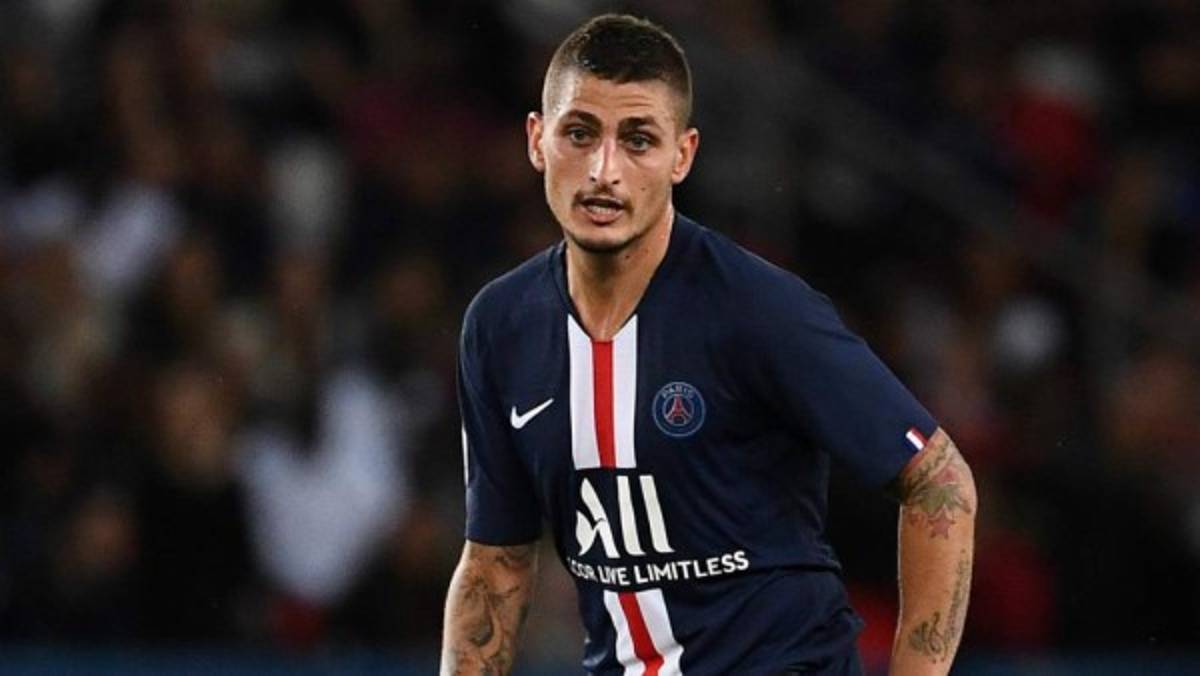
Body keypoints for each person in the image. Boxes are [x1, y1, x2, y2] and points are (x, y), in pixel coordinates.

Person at [441, 13, 976, 676]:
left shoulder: (758, 309)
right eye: (579, 133)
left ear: (683, 156)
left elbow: (938, 481)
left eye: (638, 140)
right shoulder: (500, 327)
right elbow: (496, 562)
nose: (604, 170)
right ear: (536, 140)